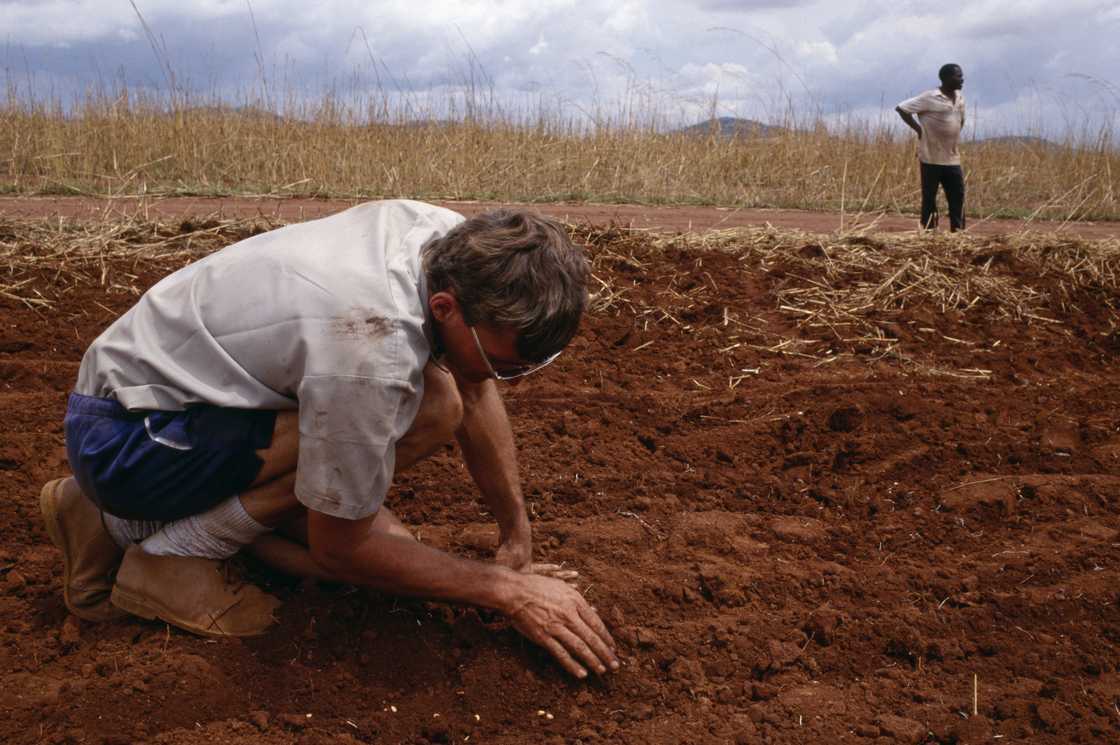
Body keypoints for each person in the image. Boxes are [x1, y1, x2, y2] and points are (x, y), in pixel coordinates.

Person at [39, 199, 619, 680]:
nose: (504, 379)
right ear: (445, 309)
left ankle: (101, 518)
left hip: (160, 397)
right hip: (128, 440)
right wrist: (506, 592)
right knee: (414, 429)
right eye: (506, 363)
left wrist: (516, 537)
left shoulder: (452, 244)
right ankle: (174, 556)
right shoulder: (371, 350)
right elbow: (341, 549)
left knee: (436, 405)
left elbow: (471, 389)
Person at [896, 63, 967, 231]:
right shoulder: (930, 97)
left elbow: (960, 121)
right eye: (958, 76)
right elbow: (902, 108)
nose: (962, 79)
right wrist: (919, 129)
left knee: (957, 196)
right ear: (946, 78)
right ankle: (929, 231)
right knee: (930, 198)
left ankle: (958, 232)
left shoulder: (960, 98)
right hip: (931, 156)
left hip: (952, 157)